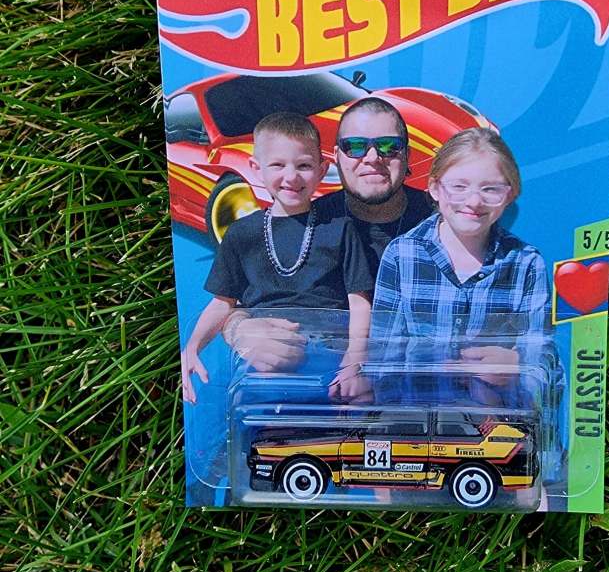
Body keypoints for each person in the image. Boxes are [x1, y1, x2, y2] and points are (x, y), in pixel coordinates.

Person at [224, 97, 433, 372]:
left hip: (424, 378)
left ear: (407, 155)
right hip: (328, 381)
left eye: (388, 146)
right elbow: (234, 304)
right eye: (355, 146)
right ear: (336, 157)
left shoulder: (442, 221)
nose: (372, 158)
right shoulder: (308, 221)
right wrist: (242, 331)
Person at [181, 112, 372, 403]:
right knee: (262, 418)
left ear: (322, 170)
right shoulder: (242, 233)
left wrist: (354, 358)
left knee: (342, 416)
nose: (291, 177)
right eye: (277, 165)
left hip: (329, 355)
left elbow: (359, 302)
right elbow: (222, 302)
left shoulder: (341, 228)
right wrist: (192, 347)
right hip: (263, 361)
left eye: (304, 165)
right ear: (256, 168)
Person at [369, 129, 559, 409]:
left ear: (510, 195)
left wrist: (518, 366)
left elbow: (544, 353)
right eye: (459, 186)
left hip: (497, 424)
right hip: (415, 420)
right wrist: (385, 414)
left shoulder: (526, 264)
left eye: (490, 189)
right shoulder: (402, 254)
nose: (473, 202)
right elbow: (383, 354)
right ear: (435, 188)